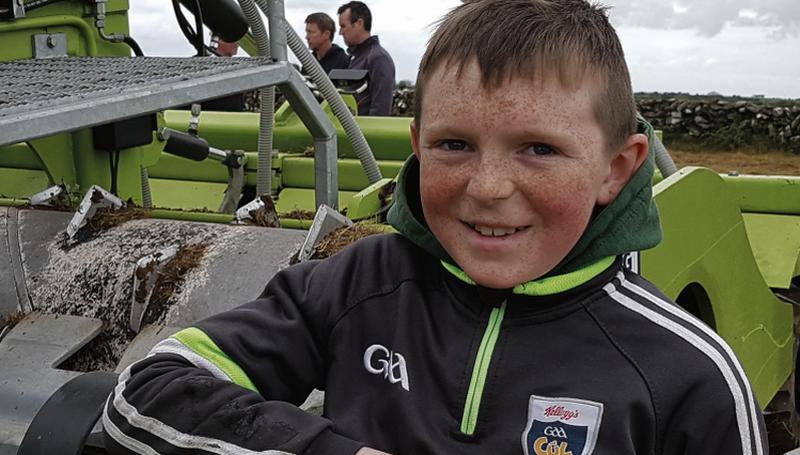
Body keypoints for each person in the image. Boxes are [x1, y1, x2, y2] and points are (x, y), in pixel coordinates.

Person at [103, 0, 767, 454]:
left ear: (616, 170)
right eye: (455, 145)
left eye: (538, 148)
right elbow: (148, 390)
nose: (487, 188)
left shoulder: (687, 374)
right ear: (418, 145)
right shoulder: (358, 286)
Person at [337, 1, 395, 116]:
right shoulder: (355, 58)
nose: (340, 32)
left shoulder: (379, 59)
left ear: (359, 23)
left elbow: (380, 111)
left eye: (343, 26)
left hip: (364, 132)